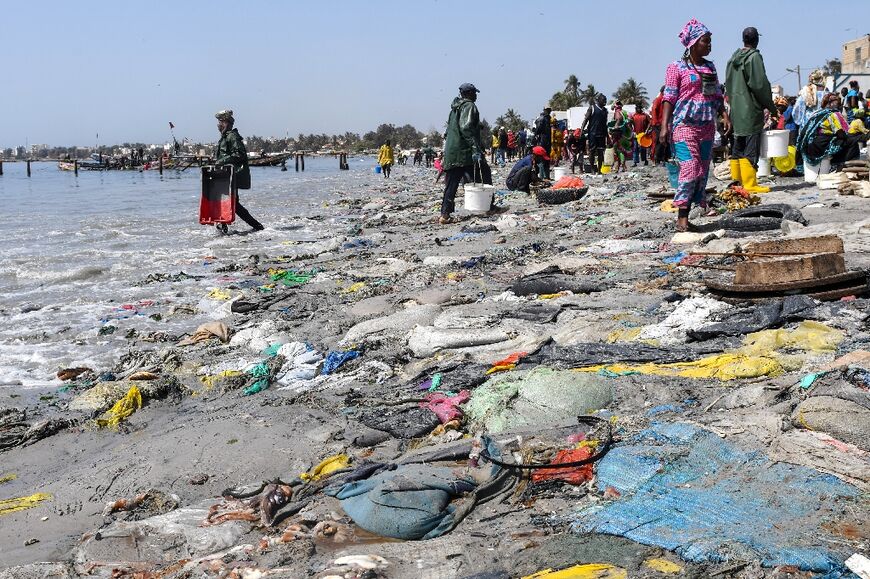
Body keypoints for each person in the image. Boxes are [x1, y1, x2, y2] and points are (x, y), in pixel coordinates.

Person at [660, 19, 730, 232]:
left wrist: (724, 115)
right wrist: (664, 126)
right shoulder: (676, 67)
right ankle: (681, 218)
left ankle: (688, 215)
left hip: (706, 128)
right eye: (705, 41)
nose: (709, 45)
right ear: (693, 43)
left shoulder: (709, 67)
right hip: (684, 127)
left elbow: (716, 94)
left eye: (710, 41)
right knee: (689, 169)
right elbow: (669, 97)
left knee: (700, 172)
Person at [725, 26, 777, 193]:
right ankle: (750, 184)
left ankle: (737, 182)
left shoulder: (733, 58)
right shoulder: (754, 57)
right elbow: (760, 84)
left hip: (736, 109)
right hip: (751, 109)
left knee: (737, 145)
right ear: (756, 40)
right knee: (750, 146)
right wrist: (771, 107)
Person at [440, 83, 485, 224]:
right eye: (474, 93)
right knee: (484, 174)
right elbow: (465, 128)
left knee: (451, 184)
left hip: (453, 152)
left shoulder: (454, 108)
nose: (476, 95)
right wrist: (475, 148)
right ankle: (487, 206)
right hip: (464, 152)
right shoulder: (469, 106)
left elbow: (449, 130)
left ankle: (445, 215)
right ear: (469, 93)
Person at [214, 109, 264, 232]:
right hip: (226, 174)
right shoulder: (225, 137)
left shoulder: (232, 136)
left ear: (226, 123)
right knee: (230, 203)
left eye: (220, 121)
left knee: (231, 203)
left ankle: (257, 226)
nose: (218, 125)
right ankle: (225, 227)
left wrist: (222, 161)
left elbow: (240, 154)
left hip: (232, 175)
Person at [797, 93, 867, 169]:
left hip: (810, 146)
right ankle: (841, 165)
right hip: (822, 145)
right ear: (831, 103)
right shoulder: (832, 114)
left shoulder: (816, 113)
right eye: (837, 103)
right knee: (851, 142)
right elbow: (840, 134)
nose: (838, 105)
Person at [581, 93, 609, 173]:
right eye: (603, 100)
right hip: (593, 134)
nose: (605, 102)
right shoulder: (592, 108)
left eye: (605, 100)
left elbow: (605, 125)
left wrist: (607, 136)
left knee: (601, 152)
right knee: (592, 151)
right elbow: (585, 120)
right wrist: (582, 130)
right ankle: (593, 168)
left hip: (601, 134)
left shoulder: (605, 111)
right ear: (599, 100)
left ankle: (599, 169)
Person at [534, 107, 552, 178]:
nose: (548, 111)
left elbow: (537, 130)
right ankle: (543, 176)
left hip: (545, 141)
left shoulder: (547, 119)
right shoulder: (544, 119)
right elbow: (538, 130)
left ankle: (545, 176)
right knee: (543, 158)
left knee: (545, 158)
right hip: (544, 141)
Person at [649, 86, 665, 163]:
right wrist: (656, 123)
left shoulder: (664, 100)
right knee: (658, 141)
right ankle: (656, 158)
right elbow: (654, 111)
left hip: (662, 123)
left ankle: (661, 157)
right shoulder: (658, 100)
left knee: (663, 141)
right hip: (658, 124)